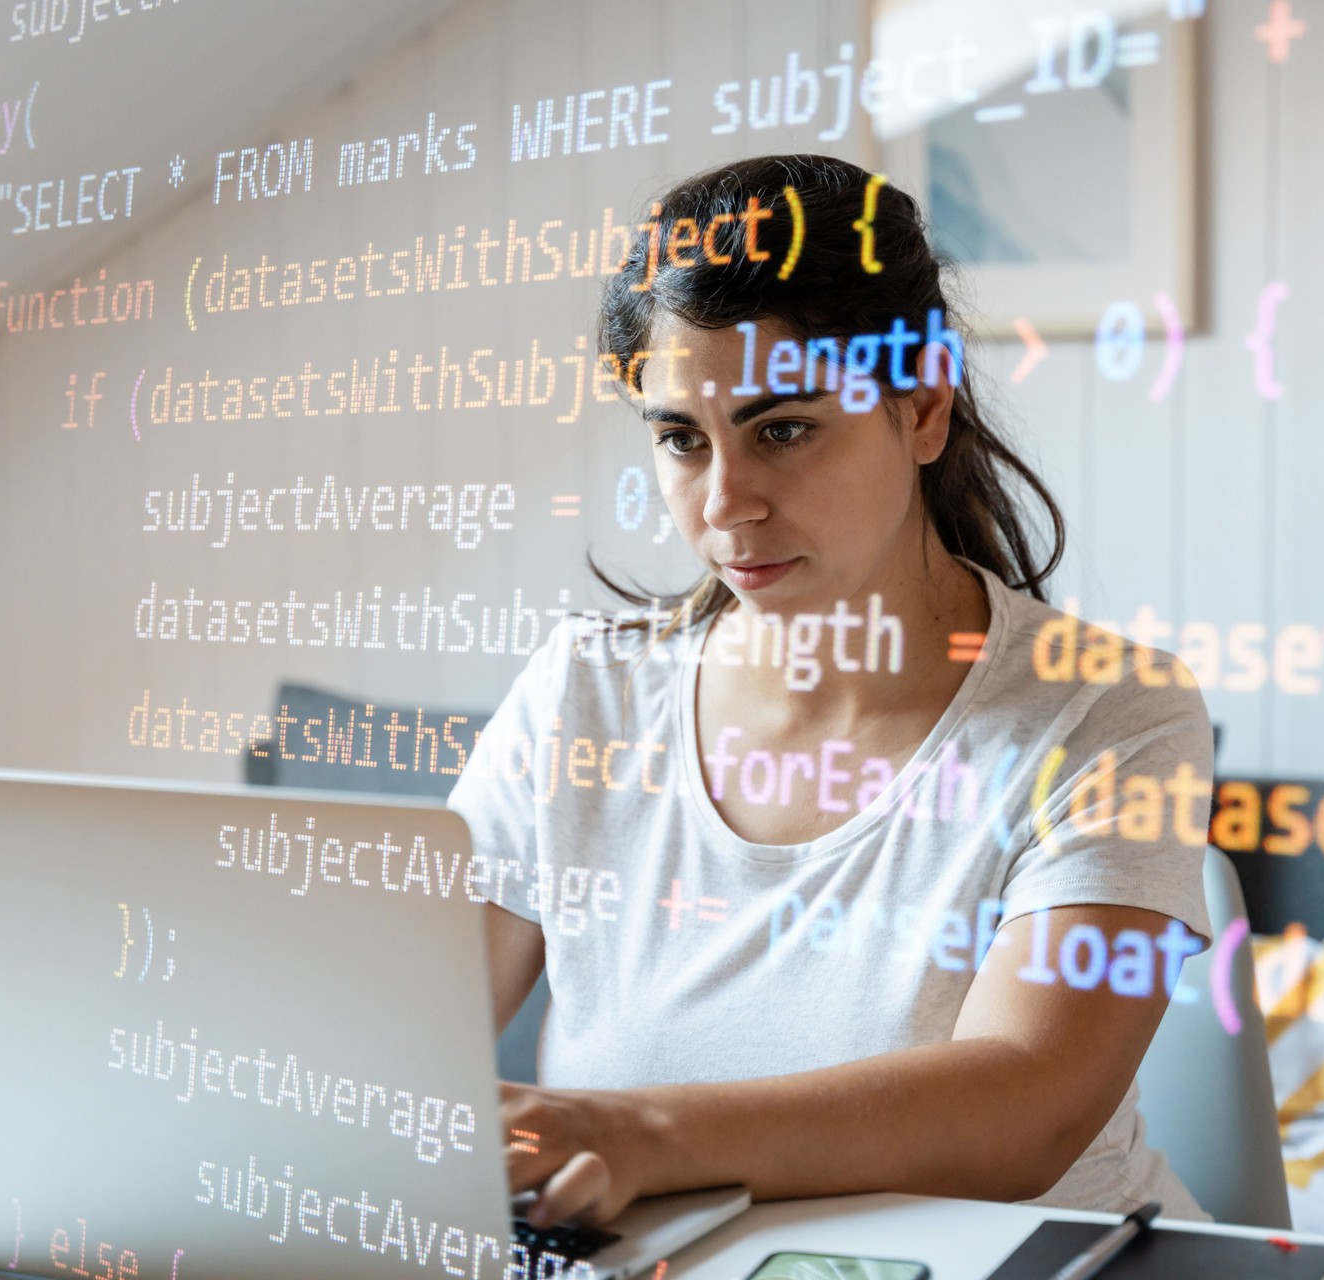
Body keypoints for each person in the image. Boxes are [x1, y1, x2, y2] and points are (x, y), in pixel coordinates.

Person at [446, 153, 1214, 1231]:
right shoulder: (583, 691)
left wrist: (638, 1135)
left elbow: (1030, 1105)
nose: (727, 506)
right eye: (680, 438)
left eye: (784, 429)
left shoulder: (1115, 710)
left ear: (925, 409)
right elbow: (403, 1040)